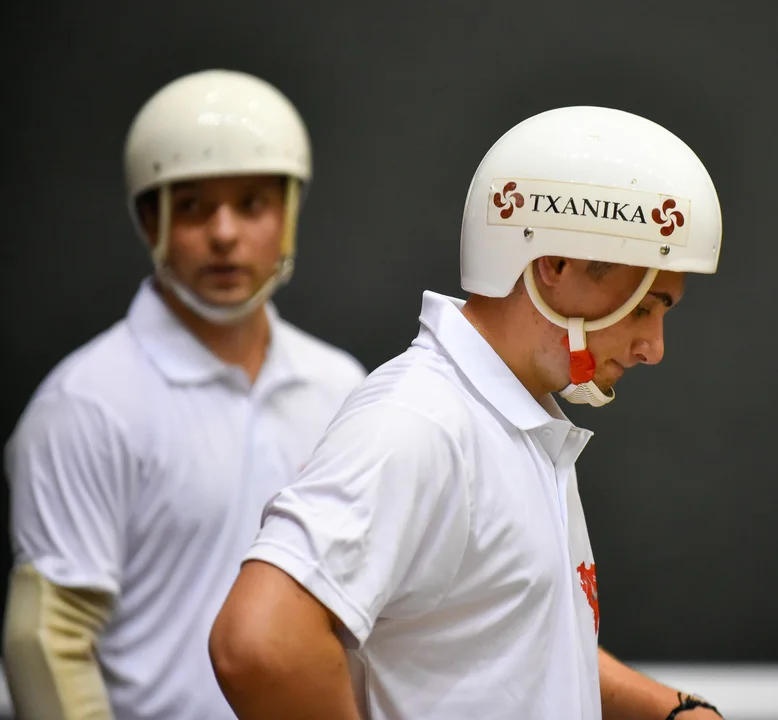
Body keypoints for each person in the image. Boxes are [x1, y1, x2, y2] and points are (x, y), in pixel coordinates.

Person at [209, 105, 725, 720]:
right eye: (644, 307)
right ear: (554, 266)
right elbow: (258, 644)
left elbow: (511, 640)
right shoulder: (420, 422)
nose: (654, 348)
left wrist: (671, 711)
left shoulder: (510, 420)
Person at [2, 69, 367, 720]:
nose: (224, 233)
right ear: (151, 219)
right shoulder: (86, 405)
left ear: (287, 213)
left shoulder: (340, 387)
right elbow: (47, 643)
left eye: (252, 204)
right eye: (193, 206)